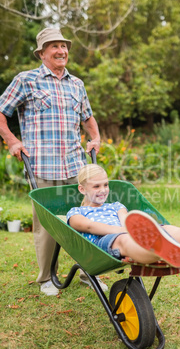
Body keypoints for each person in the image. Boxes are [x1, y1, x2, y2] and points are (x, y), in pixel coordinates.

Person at [0, 28, 108, 295]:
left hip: (75, 165)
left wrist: (95, 137)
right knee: (47, 225)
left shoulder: (77, 84)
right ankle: (47, 278)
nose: (61, 50)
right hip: (42, 165)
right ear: (42, 53)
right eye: (54, 46)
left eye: (64, 45)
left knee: (87, 217)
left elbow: (88, 117)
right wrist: (13, 141)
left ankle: (88, 271)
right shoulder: (27, 80)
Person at [67, 164, 180, 269]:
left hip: (131, 234)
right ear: (82, 189)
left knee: (168, 229)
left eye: (105, 185)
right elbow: (89, 227)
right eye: (96, 186)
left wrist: (133, 229)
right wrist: (125, 231)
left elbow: (125, 218)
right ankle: (160, 247)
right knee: (123, 240)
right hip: (106, 244)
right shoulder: (76, 212)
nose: (103, 190)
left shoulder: (116, 206)